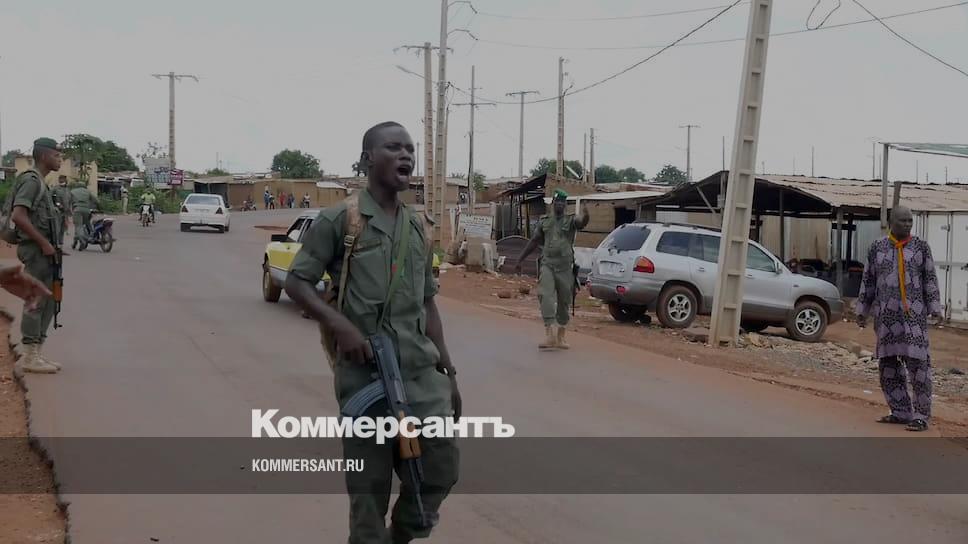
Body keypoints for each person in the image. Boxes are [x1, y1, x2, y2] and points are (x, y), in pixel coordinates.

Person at [285, 121, 460, 544]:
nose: (406, 156)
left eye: (409, 149)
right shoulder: (341, 220)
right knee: (369, 491)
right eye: (393, 148)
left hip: (420, 374)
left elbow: (427, 303)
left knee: (440, 469)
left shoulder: (419, 227)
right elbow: (297, 281)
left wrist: (448, 372)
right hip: (365, 376)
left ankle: (400, 536)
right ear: (367, 159)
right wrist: (340, 325)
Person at [856, 206, 942, 432]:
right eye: (903, 220)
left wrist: (935, 307)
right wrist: (862, 310)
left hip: (913, 319)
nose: (907, 224)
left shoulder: (921, 247)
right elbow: (869, 280)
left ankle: (921, 415)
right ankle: (900, 411)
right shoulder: (877, 247)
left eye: (910, 221)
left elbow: (930, 277)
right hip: (886, 319)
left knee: (919, 367)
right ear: (891, 222)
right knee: (888, 367)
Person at [9, 138, 64, 373]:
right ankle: (29, 356)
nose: (60, 159)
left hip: (46, 251)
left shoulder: (42, 183)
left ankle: (36, 353)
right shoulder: (31, 181)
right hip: (36, 251)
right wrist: (43, 243)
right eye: (57, 155)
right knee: (36, 299)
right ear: (43, 156)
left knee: (50, 300)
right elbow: (18, 216)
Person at [514, 189, 589, 350]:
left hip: (565, 267)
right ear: (553, 203)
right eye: (557, 202)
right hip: (548, 264)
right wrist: (520, 259)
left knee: (564, 300)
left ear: (565, 204)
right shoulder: (545, 221)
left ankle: (561, 336)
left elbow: (581, 222)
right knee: (545, 295)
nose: (560, 204)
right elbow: (534, 241)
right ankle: (549, 334)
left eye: (563, 202)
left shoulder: (571, 220)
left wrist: (586, 214)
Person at [70, 183, 99, 249]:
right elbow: (96, 201)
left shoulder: (73, 191)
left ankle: (82, 241)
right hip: (86, 210)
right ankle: (75, 242)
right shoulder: (88, 191)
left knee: (78, 226)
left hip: (77, 210)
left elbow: (68, 200)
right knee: (85, 224)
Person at [51, 175, 73, 255]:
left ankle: (60, 249)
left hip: (65, 212)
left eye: (63, 179)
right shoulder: (55, 189)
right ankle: (54, 248)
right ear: (58, 179)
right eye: (61, 178)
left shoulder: (68, 190)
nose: (62, 180)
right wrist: (56, 205)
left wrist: (70, 210)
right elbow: (50, 198)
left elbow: (70, 200)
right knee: (57, 229)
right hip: (57, 212)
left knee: (62, 230)